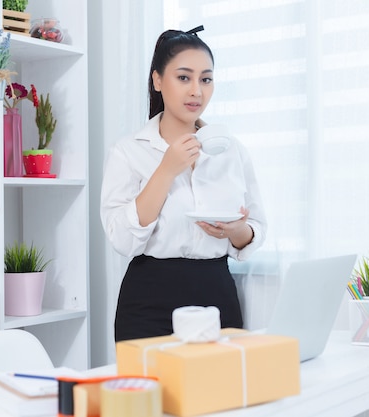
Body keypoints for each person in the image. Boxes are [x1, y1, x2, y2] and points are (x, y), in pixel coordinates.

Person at [100, 26, 267, 342]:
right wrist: (166, 170)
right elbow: (122, 239)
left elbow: (255, 228)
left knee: (221, 390)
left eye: (206, 79)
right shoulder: (128, 151)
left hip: (217, 293)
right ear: (158, 80)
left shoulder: (232, 151)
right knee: (149, 391)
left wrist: (236, 232)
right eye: (184, 77)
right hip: (149, 301)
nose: (197, 91)